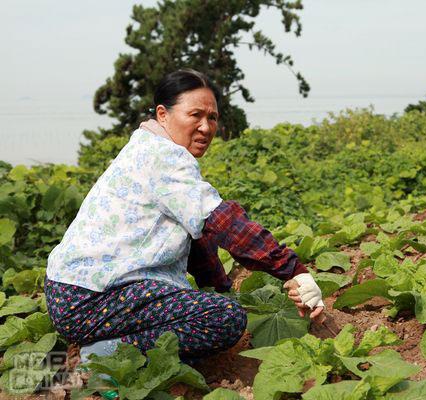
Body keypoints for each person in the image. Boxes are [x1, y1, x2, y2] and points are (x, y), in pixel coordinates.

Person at [44, 69, 325, 369]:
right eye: (195, 115)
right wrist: (294, 270)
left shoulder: (147, 146)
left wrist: (219, 289)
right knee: (224, 319)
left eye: (213, 117)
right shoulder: (164, 156)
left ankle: (102, 344)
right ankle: (103, 354)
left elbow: (197, 234)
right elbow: (223, 221)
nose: (205, 127)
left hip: (75, 293)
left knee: (215, 305)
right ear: (163, 114)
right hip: (90, 298)